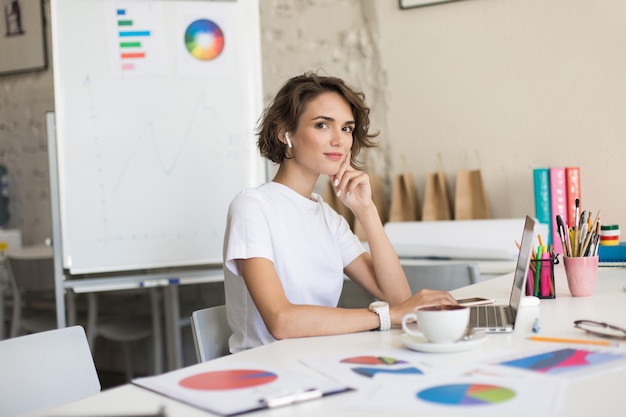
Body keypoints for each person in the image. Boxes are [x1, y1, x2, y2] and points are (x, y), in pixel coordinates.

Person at [223, 71, 456, 353]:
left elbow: (397, 299)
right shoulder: (253, 207)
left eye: (346, 128)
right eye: (323, 125)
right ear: (285, 132)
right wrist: (385, 317)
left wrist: (366, 211)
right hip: (267, 371)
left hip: (322, 361)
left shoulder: (328, 217)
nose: (339, 140)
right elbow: (281, 321)